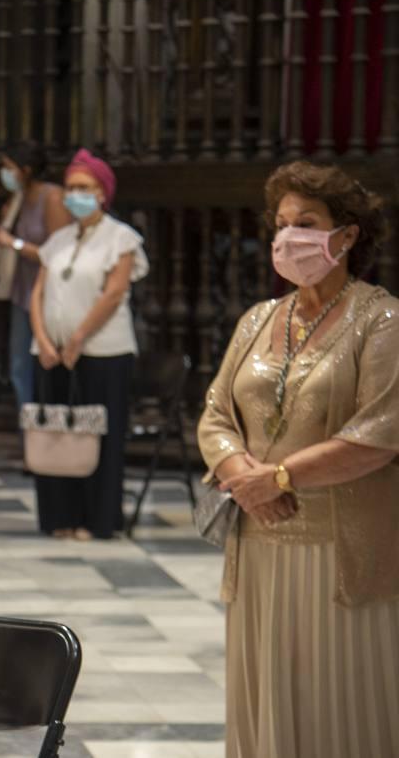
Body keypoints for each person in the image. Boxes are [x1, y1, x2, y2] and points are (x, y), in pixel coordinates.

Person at [200, 161, 398, 758]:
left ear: (347, 235)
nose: (289, 238)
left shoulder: (382, 319)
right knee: (268, 695)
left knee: (338, 697)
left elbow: (380, 431)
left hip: (341, 547)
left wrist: (281, 476)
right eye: (281, 225)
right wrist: (245, 481)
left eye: (306, 223)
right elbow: (214, 415)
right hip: (259, 541)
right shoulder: (258, 319)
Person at [29, 150, 147, 540]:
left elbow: (113, 295)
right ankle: (59, 516)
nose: (76, 194)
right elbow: (38, 293)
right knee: (57, 435)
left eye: (85, 187)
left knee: (98, 439)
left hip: (102, 352)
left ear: (103, 193)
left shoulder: (122, 238)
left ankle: (96, 520)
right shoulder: (59, 239)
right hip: (51, 354)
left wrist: (78, 339)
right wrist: (44, 340)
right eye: (72, 187)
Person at [0, 142, 66, 407]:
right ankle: (29, 434)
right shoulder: (19, 199)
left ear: (26, 170)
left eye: (9, 168)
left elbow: (58, 252)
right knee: (19, 368)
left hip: (48, 295)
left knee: (45, 367)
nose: (4, 173)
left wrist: (14, 243)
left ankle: (48, 433)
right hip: (22, 293)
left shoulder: (53, 197)